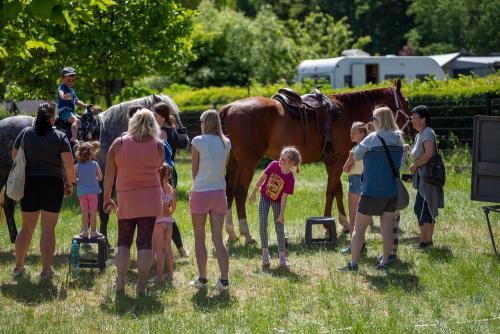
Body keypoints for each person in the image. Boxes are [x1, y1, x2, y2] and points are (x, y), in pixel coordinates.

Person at [103, 109, 164, 295]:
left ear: (132, 122)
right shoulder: (159, 145)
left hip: (127, 197)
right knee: (145, 242)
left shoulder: (119, 143)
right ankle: (141, 284)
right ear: (153, 124)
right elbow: (159, 167)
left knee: (123, 241)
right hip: (151, 197)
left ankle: (120, 282)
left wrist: (107, 198)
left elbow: (109, 175)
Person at [12, 103, 75, 278]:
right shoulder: (60, 136)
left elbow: (14, 156)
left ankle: (18, 267)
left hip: (29, 183)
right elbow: (69, 164)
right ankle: (46, 270)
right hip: (52, 184)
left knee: (26, 228)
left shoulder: (25, 133)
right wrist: (70, 183)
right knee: (48, 229)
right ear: (52, 118)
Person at [338, 106, 404, 271]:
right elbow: (402, 163)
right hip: (391, 190)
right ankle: (384, 262)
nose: (371, 122)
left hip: (371, 190)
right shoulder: (399, 138)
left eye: (373, 119)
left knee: (358, 228)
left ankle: (353, 264)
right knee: (387, 228)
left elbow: (357, 155)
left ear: (379, 121)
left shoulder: (372, 138)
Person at [189, 110, 231, 290]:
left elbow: (194, 170)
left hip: (200, 192)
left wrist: (198, 186)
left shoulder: (197, 141)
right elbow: (223, 168)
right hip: (219, 192)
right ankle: (224, 281)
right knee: (218, 239)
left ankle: (202, 278)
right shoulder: (226, 143)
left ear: (204, 122)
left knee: (200, 238)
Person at [249, 146, 301, 268]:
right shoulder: (273, 165)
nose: (280, 160)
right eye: (281, 157)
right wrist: (254, 191)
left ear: (291, 163)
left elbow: (284, 197)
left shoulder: (290, 179)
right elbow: (262, 177)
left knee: (279, 228)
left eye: (284, 159)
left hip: (277, 202)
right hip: (264, 197)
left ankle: (282, 257)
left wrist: (281, 215)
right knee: (262, 224)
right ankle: (265, 253)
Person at [152, 102, 189, 258]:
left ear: (161, 116)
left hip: (163, 174)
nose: (153, 119)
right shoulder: (172, 128)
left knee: (164, 213)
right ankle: (178, 248)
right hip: (170, 172)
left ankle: (177, 248)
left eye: (155, 116)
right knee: (165, 213)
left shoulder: (161, 133)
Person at [409, 105, 444, 249]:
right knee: (426, 208)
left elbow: (429, 154)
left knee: (420, 208)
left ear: (424, 119)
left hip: (428, 178)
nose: (412, 121)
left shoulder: (428, 133)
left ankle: (425, 242)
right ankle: (428, 241)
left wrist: (415, 165)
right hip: (423, 178)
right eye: (411, 118)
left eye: (415, 118)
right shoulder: (419, 135)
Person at [340, 122, 371, 255]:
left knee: (353, 216)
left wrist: (351, 166)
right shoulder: (370, 147)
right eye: (351, 131)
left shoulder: (355, 151)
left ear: (362, 134)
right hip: (367, 181)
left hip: (356, 181)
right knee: (362, 215)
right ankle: (361, 244)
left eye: (354, 132)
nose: (351, 134)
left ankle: (355, 246)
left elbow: (345, 168)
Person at [152, 163, 176, 282]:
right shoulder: (171, 188)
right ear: (169, 175)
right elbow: (174, 207)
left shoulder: (157, 189)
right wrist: (168, 212)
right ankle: (171, 274)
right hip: (169, 221)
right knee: (168, 248)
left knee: (159, 250)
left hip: (159, 221)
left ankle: (159, 276)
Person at [74, 141, 103, 238]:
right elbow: (100, 177)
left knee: (84, 212)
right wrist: (94, 180)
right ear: (91, 154)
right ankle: (94, 231)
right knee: (93, 212)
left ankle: (85, 231)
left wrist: (79, 181)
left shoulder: (77, 166)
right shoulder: (95, 164)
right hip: (93, 192)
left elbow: (74, 179)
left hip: (82, 192)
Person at [56, 66, 89, 144]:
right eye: (68, 80)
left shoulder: (72, 90)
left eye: (72, 81)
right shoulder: (62, 87)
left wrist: (85, 105)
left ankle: (81, 136)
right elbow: (61, 94)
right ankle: (73, 138)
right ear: (62, 79)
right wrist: (63, 96)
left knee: (82, 120)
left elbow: (77, 101)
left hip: (71, 112)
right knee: (76, 121)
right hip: (64, 112)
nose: (70, 82)